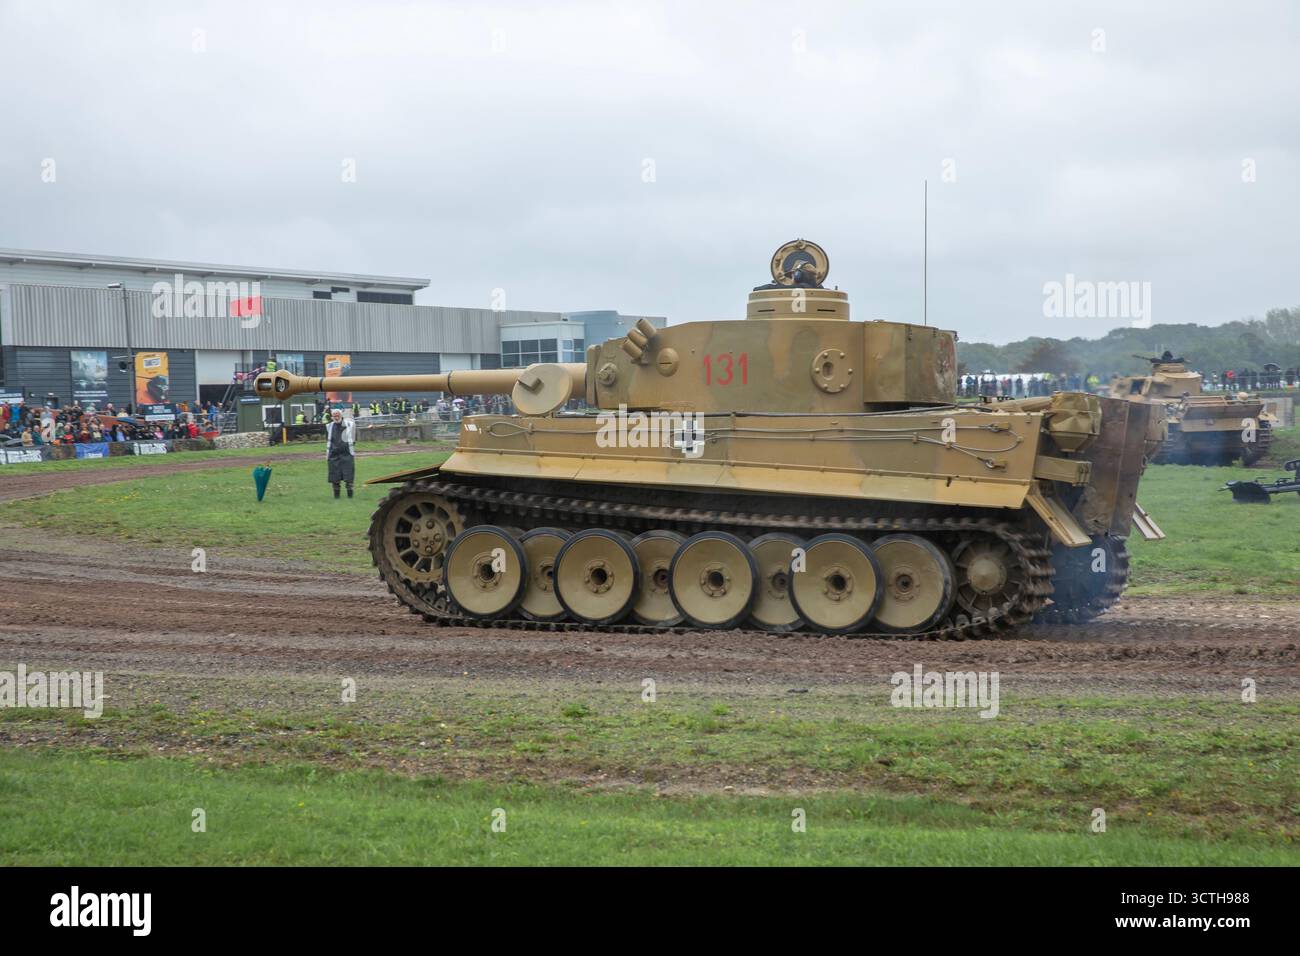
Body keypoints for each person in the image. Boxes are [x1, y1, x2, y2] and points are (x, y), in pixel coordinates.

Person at [324, 408, 356, 498]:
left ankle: (350, 497)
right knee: (335, 477)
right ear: (332, 416)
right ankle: (336, 497)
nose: (336, 417)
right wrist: (328, 454)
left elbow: (353, 438)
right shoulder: (329, 426)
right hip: (334, 455)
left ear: (341, 415)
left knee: (349, 477)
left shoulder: (350, 424)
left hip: (347, 454)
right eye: (334, 415)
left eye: (337, 415)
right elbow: (328, 441)